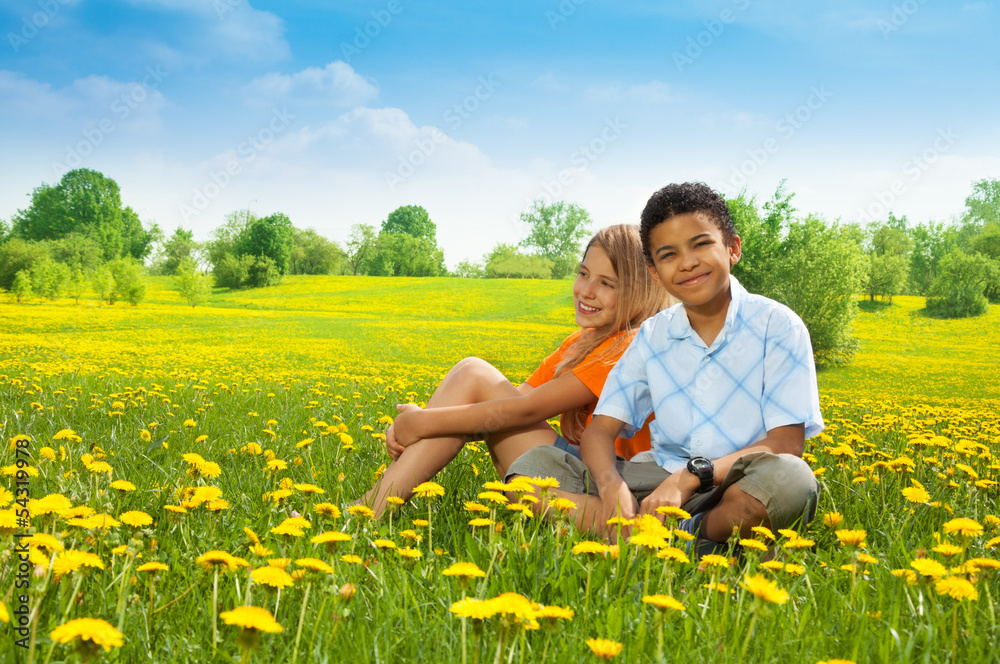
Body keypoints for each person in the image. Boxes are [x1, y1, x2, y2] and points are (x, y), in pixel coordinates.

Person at [507, 182, 823, 552]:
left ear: (732, 248)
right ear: (655, 273)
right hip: (654, 477)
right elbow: (599, 431)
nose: (687, 262)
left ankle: (663, 533)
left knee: (792, 481)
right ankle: (683, 540)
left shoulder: (778, 325)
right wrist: (611, 486)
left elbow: (785, 444)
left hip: (736, 482)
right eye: (669, 254)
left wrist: (687, 479)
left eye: (701, 244)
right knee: (529, 473)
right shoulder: (652, 335)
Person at [356, 224, 670, 517]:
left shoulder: (630, 346)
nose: (585, 291)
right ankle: (374, 504)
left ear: (641, 291)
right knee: (472, 376)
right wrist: (426, 420)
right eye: (583, 273)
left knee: (474, 374)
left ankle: (370, 509)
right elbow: (498, 406)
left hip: (620, 484)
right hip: (581, 471)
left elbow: (524, 410)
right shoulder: (581, 343)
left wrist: (424, 422)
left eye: (606, 283)